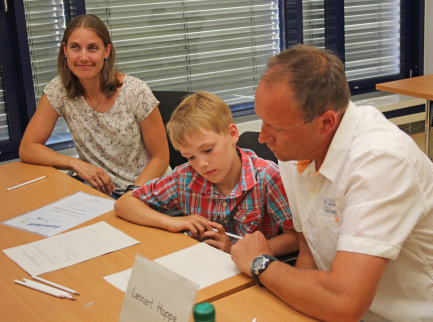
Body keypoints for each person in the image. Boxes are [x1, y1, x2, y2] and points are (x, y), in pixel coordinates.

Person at [231, 45, 433, 321]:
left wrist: (261, 264)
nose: (262, 137)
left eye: (276, 127)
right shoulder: (296, 149)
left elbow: (343, 303)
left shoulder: (380, 160)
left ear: (326, 122)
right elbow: (309, 250)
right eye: (263, 120)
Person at [115, 91, 298, 255]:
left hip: (248, 274)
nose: (201, 164)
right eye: (190, 157)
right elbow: (124, 204)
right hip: (200, 265)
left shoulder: (267, 177)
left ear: (232, 134)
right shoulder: (185, 177)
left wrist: (235, 251)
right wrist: (171, 222)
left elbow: (295, 239)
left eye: (208, 149)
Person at [19, 14, 169, 198]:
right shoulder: (59, 90)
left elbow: (160, 158)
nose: (83, 57)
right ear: (65, 50)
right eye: (75, 47)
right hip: (101, 193)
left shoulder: (135, 91)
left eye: (92, 48)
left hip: (146, 189)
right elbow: (27, 148)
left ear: (106, 51)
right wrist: (75, 164)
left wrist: (131, 195)